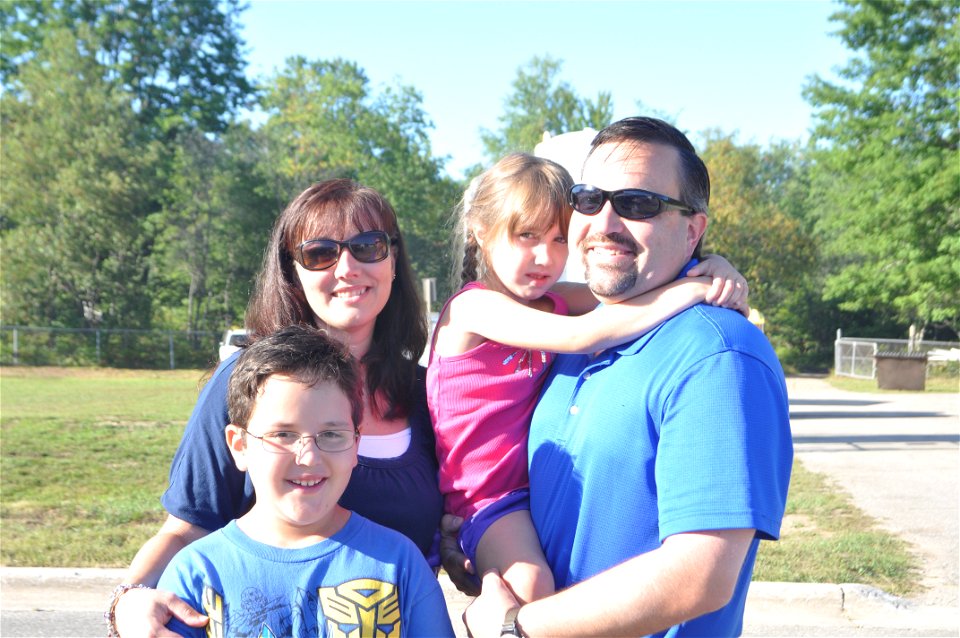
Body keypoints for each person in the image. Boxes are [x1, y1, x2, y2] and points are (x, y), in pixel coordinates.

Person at [462, 117, 793, 638]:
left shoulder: (717, 355)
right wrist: (479, 549)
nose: (605, 222)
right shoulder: (570, 335)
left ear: (693, 229)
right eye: (589, 199)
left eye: (639, 204)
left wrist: (516, 626)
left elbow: (700, 575)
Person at [107, 179, 444, 636]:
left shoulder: (430, 393)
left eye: (368, 246)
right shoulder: (244, 383)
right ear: (292, 271)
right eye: (320, 253)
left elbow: (466, 514)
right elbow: (187, 527)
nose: (347, 267)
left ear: (393, 259)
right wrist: (127, 602)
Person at [429, 153, 749, 604]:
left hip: (533, 490)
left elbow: (630, 295)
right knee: (530, 587)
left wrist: (712, 265)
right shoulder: (473, 309)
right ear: (481, 233)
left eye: (560, 238)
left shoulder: (552, 299)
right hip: (487, 499)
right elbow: (587, 333)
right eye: (527, 236)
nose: (546, 256)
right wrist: (695, 289)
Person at [156, 326, 454, 637]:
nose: (309, 457)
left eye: (330, 435)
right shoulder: (197, 573)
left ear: (355, 444)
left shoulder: (400, 565)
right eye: (283, 434)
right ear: (239, 445)